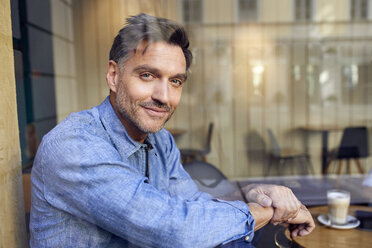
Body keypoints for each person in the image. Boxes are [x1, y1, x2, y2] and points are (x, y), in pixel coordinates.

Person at [30, 13, 314, 247]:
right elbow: (172, 228)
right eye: (147, 75)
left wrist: (255, 193)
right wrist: (262, 212)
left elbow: (190, 203)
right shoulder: (72, 145)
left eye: (176, 81)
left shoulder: (161, 141)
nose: (164, 96)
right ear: (114, 76)